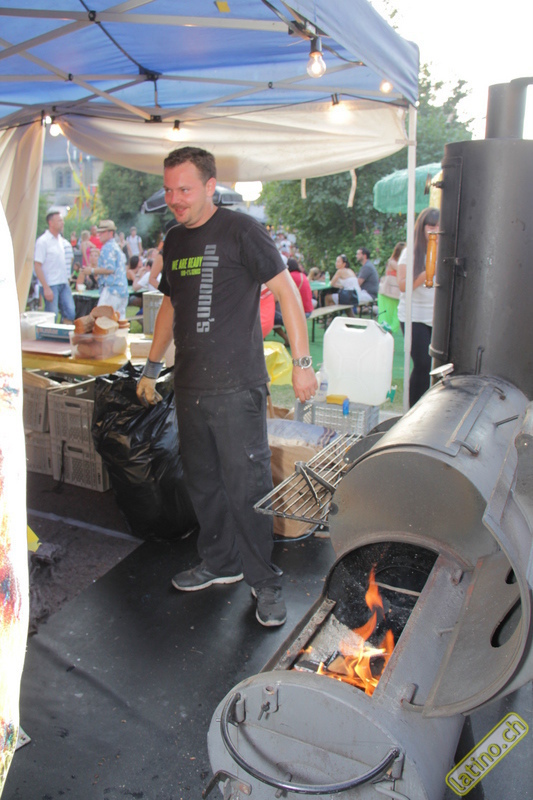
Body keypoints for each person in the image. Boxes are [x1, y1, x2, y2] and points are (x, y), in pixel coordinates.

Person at [136, 146, 316, 628]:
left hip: (238, 386)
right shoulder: (175, 239)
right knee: (203, 482)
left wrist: (302, 364)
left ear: (210, 186)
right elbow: (170, 305)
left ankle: (265, 580)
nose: (175, 198)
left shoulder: (241, 230)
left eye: (185, 189)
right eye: (169, 190)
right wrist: (152, 366)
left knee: (248, 486)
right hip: (190, 383)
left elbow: (287, 293)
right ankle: (220, 562)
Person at [397, 207, 440, 407]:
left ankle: (431, 407)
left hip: (437, 316)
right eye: (431, 226)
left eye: (438, 227)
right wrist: (427, 272)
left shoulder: (447, 249)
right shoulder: (410, 252)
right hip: (413, 315)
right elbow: (402, 285)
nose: (435, 231)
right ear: (422, 227)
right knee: (423, 364)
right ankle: (413, 408)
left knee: (438, 365)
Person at [33, 210, 76, 322]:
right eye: (59, 220)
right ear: (51, 223)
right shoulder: (43, 241)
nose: (62, 223)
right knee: (52, 315)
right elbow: (37, 265)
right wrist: (46, 287)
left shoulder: (61, 241)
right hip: (50, 284)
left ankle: (65, 331)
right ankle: (50, 333)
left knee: (70, 311)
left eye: (62, 220)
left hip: (63, 282)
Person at [82, 219, 129, 318]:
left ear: (110, 233)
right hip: (122, 290)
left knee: (102, 320)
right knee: (119, 322)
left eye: (102, 232)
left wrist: (91, 270)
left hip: (111, 290)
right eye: (99, 232)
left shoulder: (107, 247)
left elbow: (110, 269)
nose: (99, 235)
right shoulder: (115, 246)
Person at [378, 241, 405, 332]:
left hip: (396, 294)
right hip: (388, 293)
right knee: (387, 316)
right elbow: (401, 270)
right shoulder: (392, 262)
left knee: (395, 316)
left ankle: (389, 335)